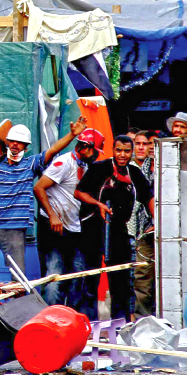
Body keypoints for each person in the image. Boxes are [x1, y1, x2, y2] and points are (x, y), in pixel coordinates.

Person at [0, 115, 88, 271]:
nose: (15, 144)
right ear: (8, 142)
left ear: (26, 147)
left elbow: (53, 150)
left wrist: (72, 134)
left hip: (15, 228)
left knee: (16, 276)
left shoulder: (31, 164)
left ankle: (18, 297)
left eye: (20, 142)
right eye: (13, 141)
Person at [75, 135, 154, 322]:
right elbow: (78, 192)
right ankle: (88, 324)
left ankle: (120, 325)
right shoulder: (98, 168)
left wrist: (157, 220)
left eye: (127, 151)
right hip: (93, 228)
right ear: (113, 150)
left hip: (119, 230)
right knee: (90, 278)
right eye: (119, 150)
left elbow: (148, 197)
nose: (122, 155)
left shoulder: (134, 174)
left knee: (121, 280)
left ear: (131, 152)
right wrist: (98, 204)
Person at [33, 129, 105, 318]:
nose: (94, 154)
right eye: (93, 150)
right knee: (54, 277)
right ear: (86, 148)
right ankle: (49, 320)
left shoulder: (89, 166)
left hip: (75, 228)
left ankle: (70, 321)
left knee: (77, 276)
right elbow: (39, 187)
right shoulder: (64, 163)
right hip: (54, 228)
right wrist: (53, 215)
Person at [129, 131, 156, 319]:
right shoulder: (133, 169)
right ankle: (142, 320)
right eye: (137, 143)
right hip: (138, 230)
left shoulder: (159, 168)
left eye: (145, 144)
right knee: (140, 277)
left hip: (161, 228)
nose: (141, 147)